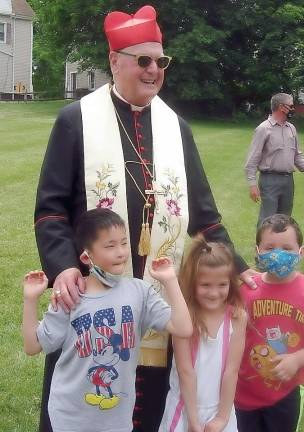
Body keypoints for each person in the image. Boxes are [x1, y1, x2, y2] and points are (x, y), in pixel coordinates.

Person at [34, 5, 254, 432]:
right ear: (115, 62)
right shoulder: (74, 121)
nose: (154, 70)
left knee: (145, 404)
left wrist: (243, 272)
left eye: (161, 61)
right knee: (80, 398)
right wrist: (62, 269)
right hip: (91, 293)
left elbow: (206, 220)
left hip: (154, 295)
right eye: (143, 60)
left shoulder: (177, 128)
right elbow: (51, 210)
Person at [23, 208, 192, 432]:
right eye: (110, 246)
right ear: (86, 256)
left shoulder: (140, 292)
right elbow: (33, 346)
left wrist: (170, 281)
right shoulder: (71, 296)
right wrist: (30, 299)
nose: (121, 252)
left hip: (117, 420)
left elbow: (183, 328)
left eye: (123, 243)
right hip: (70, 417)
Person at [235, 214, 304, 432]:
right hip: (241, 392)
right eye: (270, 247)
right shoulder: (246, 290)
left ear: (301, 253)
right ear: (257, 251)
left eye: (287, 248)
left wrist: (297, 359)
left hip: (285, 394)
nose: (278, 254)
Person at [159, 237, 247, 432]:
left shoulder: (237, 317)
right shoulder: (184, 317)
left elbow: (231, 371)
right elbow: (185, 371)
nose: (214, 293)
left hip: (221, 409)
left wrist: (222, 418)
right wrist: (193, 420)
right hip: (185, 409)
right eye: (205, 285)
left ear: (231, 283)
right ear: (193, 283)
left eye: (222, 285)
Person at [244, 93, 304, 227]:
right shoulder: (263, 129)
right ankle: (263, 247)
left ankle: (281, 247)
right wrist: (252, 184)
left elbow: (297, 156)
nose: (294, 109)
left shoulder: (291, 128)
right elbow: (252, 159)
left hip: (288, 181)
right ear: (282, 107)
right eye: (292, 106)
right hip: (269, 180)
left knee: (285, 221)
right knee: (267, 220)